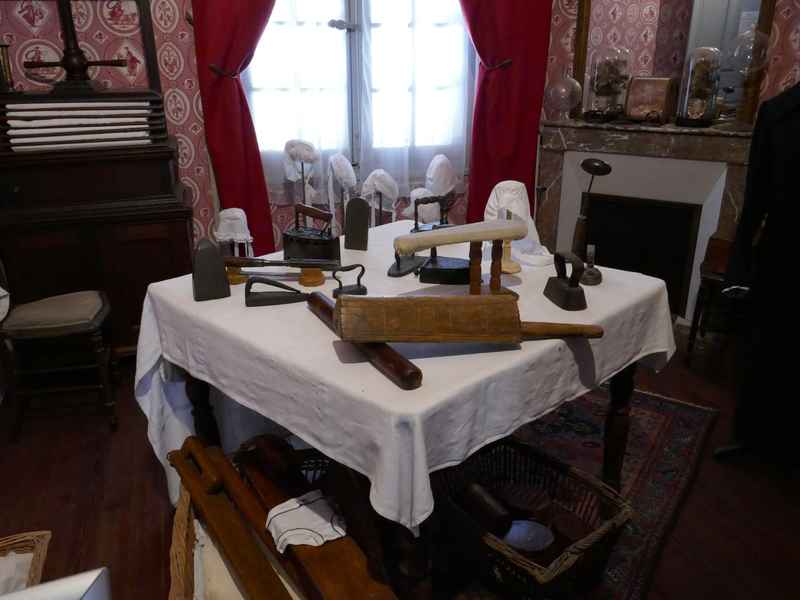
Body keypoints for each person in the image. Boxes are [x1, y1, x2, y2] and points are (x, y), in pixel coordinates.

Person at [715, 83, 799, 464]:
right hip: (781, 252)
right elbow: (754, 201)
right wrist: (738, 268)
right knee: (765, 347)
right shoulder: (777, 113)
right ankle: (752, 438)